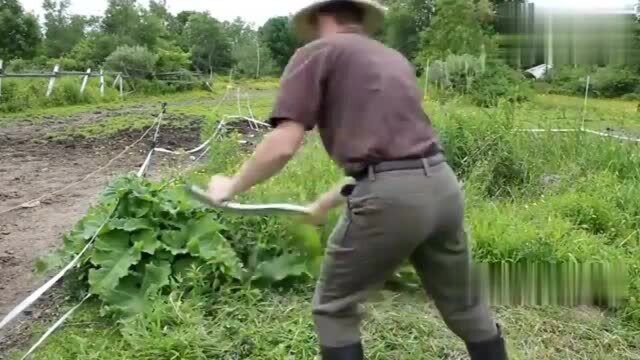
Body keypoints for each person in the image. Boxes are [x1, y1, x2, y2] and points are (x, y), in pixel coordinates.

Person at [206, 1, 508, 359]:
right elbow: (394, 156)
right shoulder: (392, 59)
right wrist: (325, 202)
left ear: (321, 15)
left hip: (392, 202)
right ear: (360, 16)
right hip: (442, 187)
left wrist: (232, 185)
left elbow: (284, 145)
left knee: (334, 309)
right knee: (465, 306)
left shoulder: (315, 53)